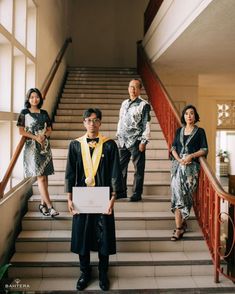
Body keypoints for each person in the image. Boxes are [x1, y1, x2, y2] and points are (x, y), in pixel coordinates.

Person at [65, 108, 123, 291]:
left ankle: (103, 272)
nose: (92, 124)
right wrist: (69, 198)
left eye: (95, 120)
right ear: (84, 123)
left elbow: (115, 172)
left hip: (103, 197)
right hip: (82, 197)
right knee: (83, 235)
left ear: (100, 123)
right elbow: (70, 173)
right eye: (88, 120)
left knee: (103, 235)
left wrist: (113, 198)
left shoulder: (109, 145)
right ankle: (85, 272)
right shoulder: (75, 145)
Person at [17, 88, 59, 217]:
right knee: (40, 177)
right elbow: (21, 131)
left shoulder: (44, 113)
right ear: (28, 99)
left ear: (40, 98)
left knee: (45, 176)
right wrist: (36, 137)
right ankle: (51, 207)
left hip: (44, 146)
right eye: (32, 97)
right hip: (32, 147)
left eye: (37, 97)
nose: (34, 99)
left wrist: (44, 136)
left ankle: (42, 204)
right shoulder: (24, 112)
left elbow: (50, 129)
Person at [170, 104, 208, 241]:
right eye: (186, 113)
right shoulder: (179, 131)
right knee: (177, 195)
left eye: (191, 113)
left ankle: (181, 223)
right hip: (177, 168)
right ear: (184, 116)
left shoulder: (200, 131)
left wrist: (191, 156)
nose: (189, 116)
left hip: (191, 170)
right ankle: (179, 228)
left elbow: (204, 149)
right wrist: (179, 159)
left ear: (195, 116)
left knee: (185, 196)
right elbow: (173, 147)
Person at [116, 78, 151, 202]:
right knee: (120, 167)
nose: (133, 90)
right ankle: (121, 192)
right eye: (131, 87)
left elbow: (146, 123)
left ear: (139, 89)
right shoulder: (124, 103)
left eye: (135, 87)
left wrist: (143, 141)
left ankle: (137, 193)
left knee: (138, 169)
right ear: (128, 88)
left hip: (136, 140)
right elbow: (121, 119)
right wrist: (118, 134)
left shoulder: (144, 104)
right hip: (123, 141)